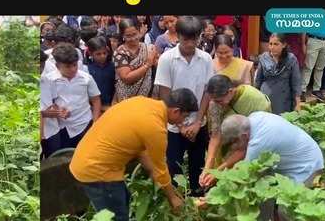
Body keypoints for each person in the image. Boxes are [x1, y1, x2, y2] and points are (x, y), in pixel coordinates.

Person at [70, 89, 199, 221]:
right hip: (97, 170)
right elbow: (161, 170)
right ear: (176, 111)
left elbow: (139, 146)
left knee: (124, 200)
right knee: (117, 217)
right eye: (184, 116)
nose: (183, 121)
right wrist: (173, 198)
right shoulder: (156, 128)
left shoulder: (142, 102)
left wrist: (151, 169)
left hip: (85, 157)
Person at [220, 112, 324, 220]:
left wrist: (209, 199)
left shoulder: (258, 143)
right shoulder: (254, 117)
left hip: (307, 166)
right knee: (264, 187)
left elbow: (242, 175)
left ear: (243, 136)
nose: (234, 148)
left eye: (234, 143)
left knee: (286, 210)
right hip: (296, 158)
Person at [153, 16, 213, 196]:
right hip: (174, 126)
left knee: (197, 167)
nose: (190, 43)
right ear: (178, 36)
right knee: (174, 168)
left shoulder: (205, 59)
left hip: (198, 124)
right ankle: (177, 206)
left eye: (195, 39)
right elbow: (165, 94)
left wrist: (197, 122)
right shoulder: (167, 59)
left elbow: (207, 92)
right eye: (186, 39)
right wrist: (180, 125)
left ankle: (197, 202)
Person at [200, 75, 271, 188]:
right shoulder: (215, 103)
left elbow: (247, 145)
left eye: (219, 101)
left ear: (230, 91)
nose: (216, 104)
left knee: (244, 183)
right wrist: (208, 167)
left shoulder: (254, 99)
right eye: (213, 100)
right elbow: (215, 135)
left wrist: (219, 172)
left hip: (252, 145)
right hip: (228, 144)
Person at [40, 43, 101, 158]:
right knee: (64, 158)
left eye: (74, 65)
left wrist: (95, 122)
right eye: (68, 67)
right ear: (58, 66)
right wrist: (58, 111)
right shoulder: (50, 80)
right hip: (63, 128)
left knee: (85, 155)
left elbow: (96, 100)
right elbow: (49, 103)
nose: (72, 69)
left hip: (85, 124)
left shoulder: (86, 78)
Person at [255, 33, 302, 114]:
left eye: (276, 44)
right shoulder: (264, 57)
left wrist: (297, 103)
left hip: (283, 100)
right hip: (265, 98)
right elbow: (258, 80)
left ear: (284, 45)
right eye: (270, 44)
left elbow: (296, 83)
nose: (272, 47)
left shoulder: (291, 59)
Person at [113, 18, 157, 103]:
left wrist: (155, 60)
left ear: (139, 31)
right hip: (126, 98)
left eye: (134, 34)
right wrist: (147, 65)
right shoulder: (120, 53)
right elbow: (126, 78)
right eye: (128, 36)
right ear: (123, 36)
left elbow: (158, 66)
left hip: (146, 96)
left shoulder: (148, 49)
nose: (133, 38)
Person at [301, 15, 325, 101]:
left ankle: (316, 90)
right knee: (308, 67)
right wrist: (303, 44)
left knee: (320, 68)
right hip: (313, 40)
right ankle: (302, 90)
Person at [87, 37, 115, 113]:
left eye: (104, 53)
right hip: (93, 108)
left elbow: (116, 86)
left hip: (111, 105)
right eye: (98, 54)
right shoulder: (87, 69)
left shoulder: (113, 67)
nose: (102, 56)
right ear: (90, 53)